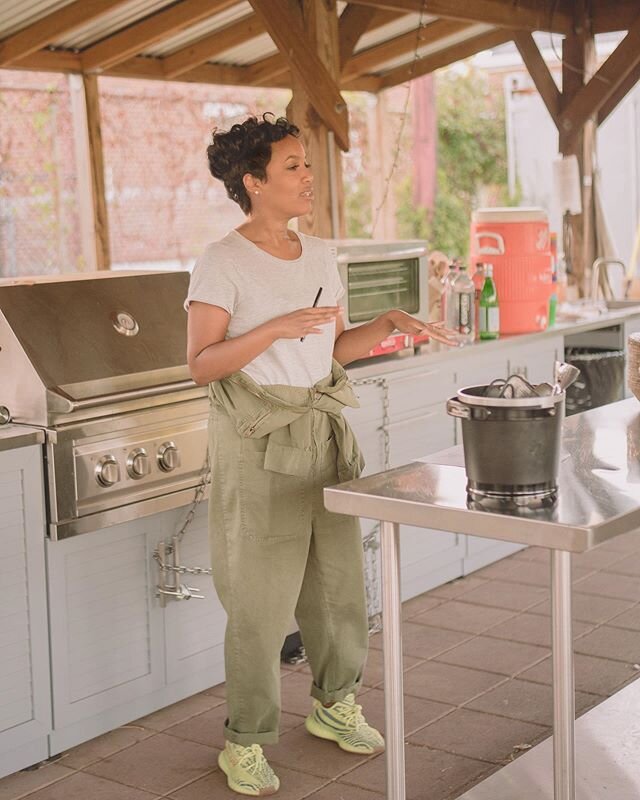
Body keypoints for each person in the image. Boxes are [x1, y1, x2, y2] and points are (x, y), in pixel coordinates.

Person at [185, 113, 457, 797]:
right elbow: (200, 364)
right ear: (253, 182)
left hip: (324, 435)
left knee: (337, 588)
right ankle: (244, 740)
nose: (309, 176)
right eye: (293, 166)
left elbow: (328, 351)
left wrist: (389, 326)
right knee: (259, 601)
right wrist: (273, 326)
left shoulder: (319, 254)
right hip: (258, 443)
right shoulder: (222, 260)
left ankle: (335, 705)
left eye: (307, 163)